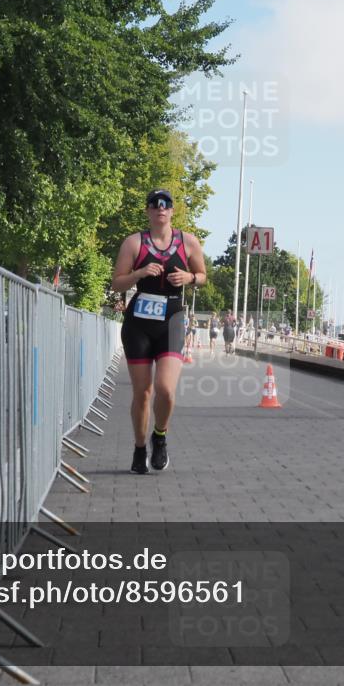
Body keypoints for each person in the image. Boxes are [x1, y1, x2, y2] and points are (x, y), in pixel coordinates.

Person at [111, 189, 207, 474]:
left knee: (165, 390)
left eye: (165, 205)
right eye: (154, 205)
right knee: (142, 393)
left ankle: (160, 436)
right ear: (148, 211)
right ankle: (140, 449)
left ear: (172, 211)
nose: (160, 209)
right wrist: (139, 274)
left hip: (172, 321)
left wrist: (190, 277)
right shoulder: (133, 243)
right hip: (139, 324)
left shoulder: (188, 241)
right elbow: (117, 283)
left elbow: (202, 277)